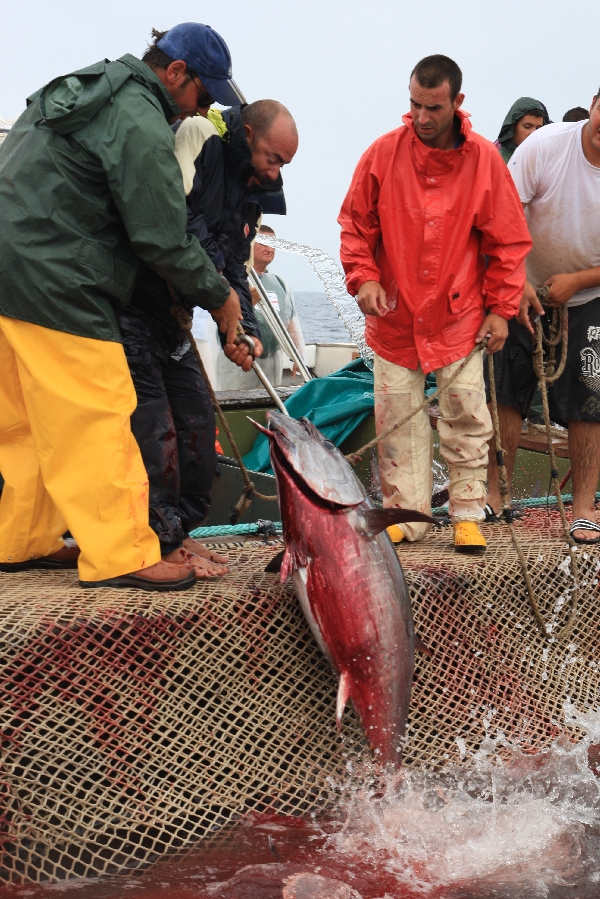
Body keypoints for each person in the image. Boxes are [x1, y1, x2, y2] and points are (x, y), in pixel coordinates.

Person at [0, 23, 256, 590]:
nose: (204, 108)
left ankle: (20, 539)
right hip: (57, 278)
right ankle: (120, 552)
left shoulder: (87, 87)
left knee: (26, 420)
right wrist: (222, 296)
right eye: (203, 94)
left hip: (7, 271)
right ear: (175, 73)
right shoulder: (139, 117)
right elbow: (162, 237)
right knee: (97, 408)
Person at [339, 54, 531, 554]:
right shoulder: (381, 154)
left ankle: (467, 513)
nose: (422, 117)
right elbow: (356, 227)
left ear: (457, 102)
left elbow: (507, 243)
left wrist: (500, 309)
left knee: (467, 414)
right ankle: (409, 516)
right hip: (394, 317)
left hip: (459, 317)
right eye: (414, 104)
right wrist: (363, 279)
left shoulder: (486, 159)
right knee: (396, 417)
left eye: (434, 107)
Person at [119, 99, 298, 574]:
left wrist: (244, 332)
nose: (276, 173)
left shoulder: (251, 195)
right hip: (133, 310)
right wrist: (220, 297)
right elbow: (179, 222)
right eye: (272, 158)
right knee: (156, 432)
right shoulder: (200, 138)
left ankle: (181, 530)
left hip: (174, 320)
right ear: (246, 135)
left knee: (198, 425)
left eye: (284, 165)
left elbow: (236, 269)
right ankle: (154, 542)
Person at [487, 91, 600, 544]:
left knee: (591, 400)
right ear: (594, 102)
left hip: (589, 293)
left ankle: (585, 507)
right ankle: (497, 495)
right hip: (523, 280)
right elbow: (503, 213)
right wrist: (514, 281)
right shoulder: (547, 145)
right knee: (508, 390)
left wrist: (578, 280)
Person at [484, 96, 549, 516]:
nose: (534, 135)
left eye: (541, 128)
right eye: (527, 126)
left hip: (543, 294)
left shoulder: (545, 168)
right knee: (500, 391)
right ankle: (489, 491)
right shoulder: (492, 162)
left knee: (526, 390)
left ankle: (500, 490)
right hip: (495, 293)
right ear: (512, 128)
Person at [250, 224, 305, 387]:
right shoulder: (237, 279)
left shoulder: (281, 284)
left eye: (273, 244)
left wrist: (298, 357)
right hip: (240, 363)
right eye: (263, 243)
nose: (269, 249)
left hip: (272, 361)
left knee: (269, 404)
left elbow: (291, 323)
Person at [494, 97, 550, 163]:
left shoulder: (545, 159)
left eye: (538, 128)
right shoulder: (498, 159)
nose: (533, 133)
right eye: (527, 127)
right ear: (512, 126)